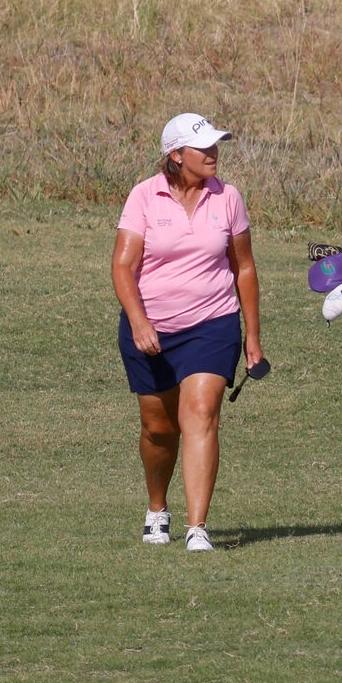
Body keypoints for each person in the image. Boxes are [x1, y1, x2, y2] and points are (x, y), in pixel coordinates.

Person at [112, 112, 265, 551]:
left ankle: (197, 528)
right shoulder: (144, 196)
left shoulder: (229, 198)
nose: (214, 153)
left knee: (200, 412)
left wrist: (252, 336)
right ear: (176, 155)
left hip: (213, 324)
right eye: (204, 148)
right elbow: (122, 266)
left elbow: (245, 267)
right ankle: (157, 508)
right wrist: (139, 322)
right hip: (151, 328)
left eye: (216, 145)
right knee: (159, 428)